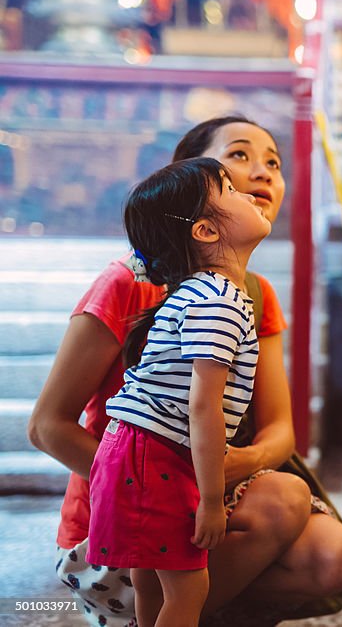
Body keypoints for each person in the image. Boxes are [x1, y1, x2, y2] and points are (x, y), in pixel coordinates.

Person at [28, 116, 342, 627]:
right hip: (122, 514)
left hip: (199, 483)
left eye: (273, 162)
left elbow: (279, 434)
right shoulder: (128, 284)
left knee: (329, 556)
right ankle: (148, 614)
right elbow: (46, 427)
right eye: (237, 160)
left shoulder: (252, 294)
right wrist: (153, 481)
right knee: (282, 500)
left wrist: (210, 479)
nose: (263, 173)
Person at [90, 156, 271, 626]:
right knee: (189, 587)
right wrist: (212, 502)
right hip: (158, 454)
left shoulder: (198, 291)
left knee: (151, 580)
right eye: (230, 189)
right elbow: (203, 406)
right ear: (206, 231)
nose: (250, 192)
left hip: (133, 447)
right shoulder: (219, 300)